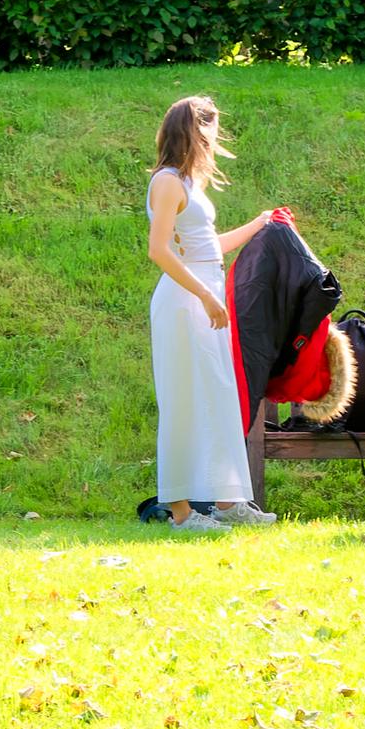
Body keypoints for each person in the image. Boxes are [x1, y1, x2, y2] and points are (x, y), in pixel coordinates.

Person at [147, 91, 269, 530]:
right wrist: (204, 294)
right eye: (210, 130)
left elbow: (206, 248)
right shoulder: (166, 182)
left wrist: (258, 224)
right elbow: (158, 250)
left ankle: (227, 501)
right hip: (184, 303)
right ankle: (181, 514)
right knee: (182, 401)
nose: (215, 140)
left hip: (204, 298)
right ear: (194, 131)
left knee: (218, 396)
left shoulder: (189, 184)